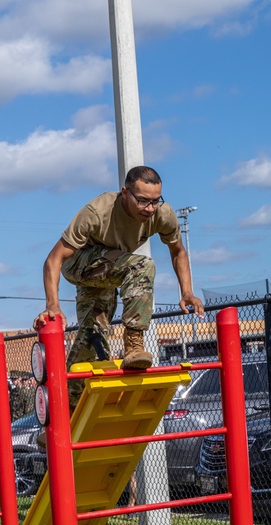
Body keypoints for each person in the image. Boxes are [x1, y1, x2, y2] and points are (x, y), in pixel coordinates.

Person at [33, 166, 204, 413]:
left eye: (156, 201)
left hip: (109, 271)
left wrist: (186, 292)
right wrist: (53, 305)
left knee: (92, 341)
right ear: (125, 193)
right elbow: (54, 259)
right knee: (141, 266)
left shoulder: (162, 214)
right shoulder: (97, 212)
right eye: (143, 201)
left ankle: (62, 413)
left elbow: (178, 251)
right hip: (80, 264)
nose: (150, 208)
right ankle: (134, 344)